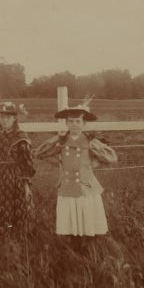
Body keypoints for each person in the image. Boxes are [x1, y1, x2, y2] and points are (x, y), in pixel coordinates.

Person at [36, 102, 117, 237]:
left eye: (78, 121)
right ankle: (73, 243)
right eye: (71, 121)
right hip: (67, 185)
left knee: (87, 219)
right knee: (70, 222)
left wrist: (94, 162)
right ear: (67, 123)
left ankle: (89, 244)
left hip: (86, 186)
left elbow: (111, 157)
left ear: (84, 124)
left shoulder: (89, 141)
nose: (74, 124)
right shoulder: (61, 140)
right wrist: (59, 162)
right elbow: (40, 153)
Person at [0, 101, 35, 239]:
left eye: (8, 117)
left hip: (15, 177)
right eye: (2, 117)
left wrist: (26, 182)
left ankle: (17, 237)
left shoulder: (21, 137)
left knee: (16, 205)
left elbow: (27, 162)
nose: (5, 120)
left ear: (15, 118)